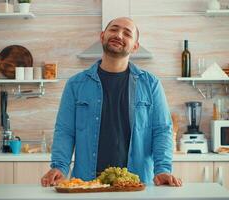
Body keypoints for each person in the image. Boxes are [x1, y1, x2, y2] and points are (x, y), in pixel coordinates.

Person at [41, 17, 182, 187]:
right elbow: (65, 131)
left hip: (136, 184)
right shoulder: (76, 84)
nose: (118, 35)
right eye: (114, 29)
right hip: (87, 184)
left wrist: (163, 169)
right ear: (102, 36)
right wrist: (59, 167)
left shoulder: (151, 84)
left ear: (135, 46)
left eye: (127, 33)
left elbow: (162, 130)